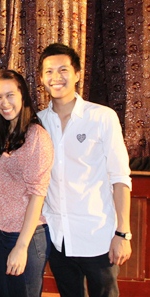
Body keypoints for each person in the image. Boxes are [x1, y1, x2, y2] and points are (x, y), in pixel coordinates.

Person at [37, 43, 132, 297]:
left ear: (77, 74)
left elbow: (120, 177)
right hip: (58, 238)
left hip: (98, 236)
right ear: (41, 78)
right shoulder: (38, 122)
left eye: (63, 70)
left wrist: (122, 233)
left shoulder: (102, 117)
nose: (56, 77)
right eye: (48, 71)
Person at [0, 70, 54, 296]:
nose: (4, 103)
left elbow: (38, 195)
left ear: (23, 95)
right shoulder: (2, 133)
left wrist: (21, 247)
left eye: (10, 95)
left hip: (26, 236)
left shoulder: (36, 136)